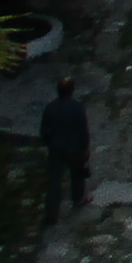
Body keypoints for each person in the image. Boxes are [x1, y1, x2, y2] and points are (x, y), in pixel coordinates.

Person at [40, 75, 90, 223]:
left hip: (56, 149)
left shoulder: (50, 108)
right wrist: (85, 147)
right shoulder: (77, 107)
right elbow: (83, 130)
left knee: (54, 181)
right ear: (72, 90)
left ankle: (52, 212)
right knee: (77, 174)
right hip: (74, 147)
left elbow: (44, 132)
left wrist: (51, 142)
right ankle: (78, 198)